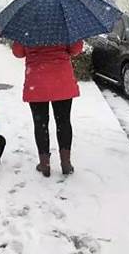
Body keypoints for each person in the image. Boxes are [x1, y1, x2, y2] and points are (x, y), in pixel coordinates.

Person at [12, 40, 83, 177]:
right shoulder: (62, 24)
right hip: (61, 81)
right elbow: (76, 49)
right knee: (63, 121)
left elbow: (18, 52)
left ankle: (45, 164)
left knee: (40, 124)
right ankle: (66, 163)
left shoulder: (28, 26)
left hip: (37, 82)